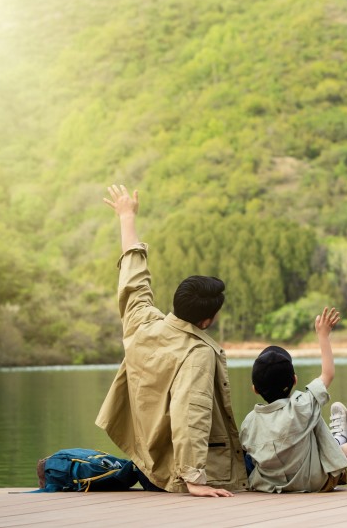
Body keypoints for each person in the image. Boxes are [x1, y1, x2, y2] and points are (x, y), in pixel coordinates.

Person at [95, 185, 247, 497]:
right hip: (176, 475)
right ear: (207, 321)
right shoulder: (197, 353)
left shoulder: (142, 323)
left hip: (147, 465)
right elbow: (191, 414)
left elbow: (133, 280)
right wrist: (193, 480)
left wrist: (127, 217)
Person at [240, 307, 347, 493]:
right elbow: (328, 374)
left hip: (269, 486)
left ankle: (339, 436)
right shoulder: (301, 405)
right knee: (312, 414)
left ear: (255, 389)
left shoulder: (248, 423)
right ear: (294, 380)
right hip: (317, 482)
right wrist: (323, 336)